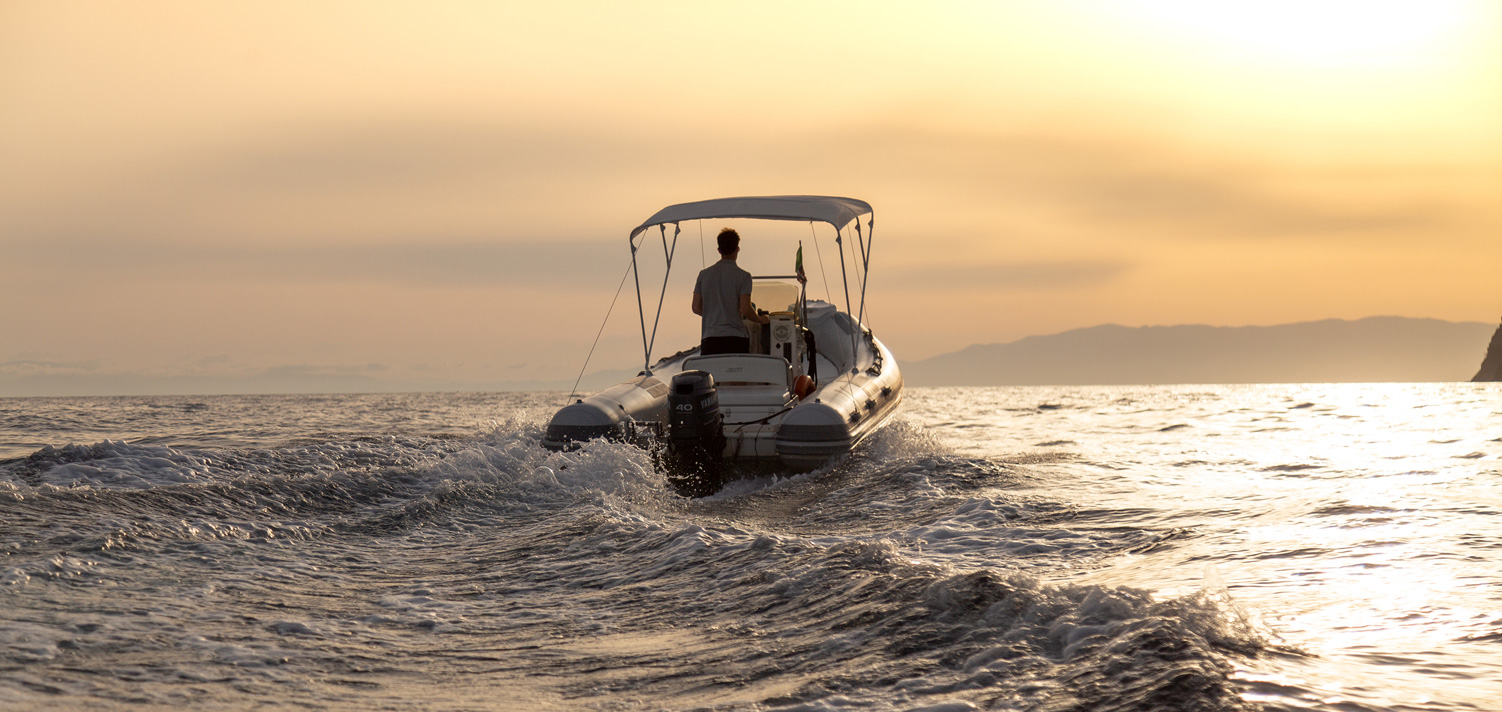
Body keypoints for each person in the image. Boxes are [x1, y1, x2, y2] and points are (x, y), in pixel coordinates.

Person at [692, 228, 769, 355]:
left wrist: (714, 315)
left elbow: (695, 307)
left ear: (719, 250)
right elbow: (745, 309)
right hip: (735, 339)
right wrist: (761, 320)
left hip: (710, 339)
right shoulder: (744, 276)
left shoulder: (703, 275)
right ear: (737, 249)